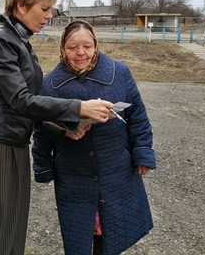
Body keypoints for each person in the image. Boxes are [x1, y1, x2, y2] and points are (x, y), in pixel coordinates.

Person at [0, 0, 114, 255]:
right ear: (21, 6)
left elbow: (27, 107)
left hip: (13, 145)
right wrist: (79, 108)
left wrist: (64, 129)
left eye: (51, 8)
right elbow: (21, 100)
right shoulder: (1, 43)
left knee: (12, 232)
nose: (50, 15)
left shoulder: (20, 42)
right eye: (44, 8)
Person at [32, 20, 156, 255]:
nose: (80, 53)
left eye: (87, 46)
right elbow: (41, 127)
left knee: (112, 231)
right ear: (62, 48)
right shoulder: (49, 84)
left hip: (116, 168)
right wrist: (43, 166)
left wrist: (142, 152)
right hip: (73, 174)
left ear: (96, 45)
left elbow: (137, 114)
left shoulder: (119, 72)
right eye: (72, 47)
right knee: (81, 231)